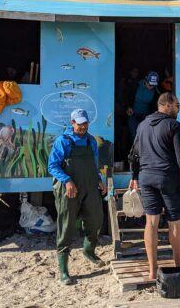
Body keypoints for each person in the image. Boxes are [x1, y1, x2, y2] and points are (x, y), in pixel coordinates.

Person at [128, 92, 180, 280]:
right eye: (177, 105)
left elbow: (134, 153)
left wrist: (134, 175)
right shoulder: (173, 125)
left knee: (151, 222)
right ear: (167, 105)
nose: (178, 108)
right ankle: (178, 263)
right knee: (174, 221)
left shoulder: (142, 125)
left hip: (146, 177)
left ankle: (152, 270)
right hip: (168, 178)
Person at [48, 109, 108, 285]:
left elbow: (94, 164)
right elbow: (52, 166)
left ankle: (89, 251)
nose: (83, 126)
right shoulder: (63, 141)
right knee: (66, 226)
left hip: (90, 187)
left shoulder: (91, 141)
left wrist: (99, 180)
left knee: (96, 219)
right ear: (72, 122)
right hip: (69, 189)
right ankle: (64, 269)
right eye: (79, 123)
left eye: (85, 123)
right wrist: (67, 181)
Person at [126, 71, 161, 142]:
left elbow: (157, 103)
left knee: (146, 135)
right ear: (145, 80)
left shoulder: (156, 90)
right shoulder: (135, 85)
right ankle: (134, 152)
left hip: (146, 115)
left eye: (153, 85)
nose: (151, 87)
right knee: (134, 134)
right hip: (133, 114)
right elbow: (127, 96)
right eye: (150, 84)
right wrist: (128, 106)